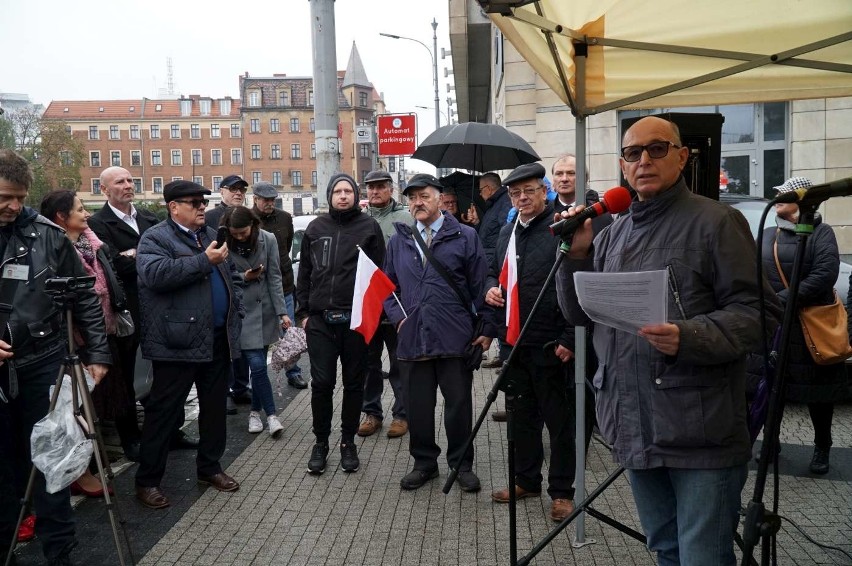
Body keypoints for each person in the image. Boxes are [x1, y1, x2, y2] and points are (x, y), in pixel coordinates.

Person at [556, 116, 777, 565]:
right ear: (622, 165)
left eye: (657, 149)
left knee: (703, 557)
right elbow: (583, 315)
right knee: (665, 549)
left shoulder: (717, 222)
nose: (644, 160)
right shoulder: (611, 233)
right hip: (633, 422)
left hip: (700, 430)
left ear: (681, 156)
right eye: (633, 153)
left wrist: (689, 336)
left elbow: (762, 315)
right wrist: (576, 257)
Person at [0, 149, 110, 566]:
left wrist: (98, 351)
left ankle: (60, 551)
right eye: (5, 197)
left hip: (42, 360)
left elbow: (83, 294)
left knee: (51, 460)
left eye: (20, 198)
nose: (13, 206)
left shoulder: (46, 234)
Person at [134, 180, 244, 510]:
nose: (201, 207)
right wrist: (202, 262)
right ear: (173, 207)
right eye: (194, 202)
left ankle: (210, 468)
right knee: (163, 414)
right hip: (176, 344)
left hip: (215, 341)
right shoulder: (155, 238)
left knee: (214, 411)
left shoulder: (210, 236)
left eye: (203, 202)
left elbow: (232, 275)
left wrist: (236, 305)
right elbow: (155, 275)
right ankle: (147, 481)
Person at [382, 173, 492, 492]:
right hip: (413, 337)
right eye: (412, 197)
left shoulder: (465, 236)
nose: (417, 202)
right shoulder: (399, 240)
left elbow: (480, 283)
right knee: (418, 406)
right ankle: (424, 463)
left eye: (424, 196)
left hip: (455, 336)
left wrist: (485, 328)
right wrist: (398, 319)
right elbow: (388, 287)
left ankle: (461, 464)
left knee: (458, 405)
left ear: (439, 198)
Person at [483, 163, 578, 522]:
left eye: (529, 191)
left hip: (552, 343)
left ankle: (562, 492)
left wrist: (570, 336)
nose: (522, 198)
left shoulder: (562, 227)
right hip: (514, 344)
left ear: (544, 191)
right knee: (521, 419)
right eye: (515, 193)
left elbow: (578, 280)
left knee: (560, 422)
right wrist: (490, 287)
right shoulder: (506, 231)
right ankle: (526, 480)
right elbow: (493, 271)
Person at [87, 166, 197, 461]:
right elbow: (112, 266)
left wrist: (135, 254)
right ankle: (130, 439)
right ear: (104, 190)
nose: (127, 185)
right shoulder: (98, 224)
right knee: (125, 376)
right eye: (120, 182)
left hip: (161, 308)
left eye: (130, 180)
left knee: (166, 374)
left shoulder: (149, 219)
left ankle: (171, 430)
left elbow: (171, 256)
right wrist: (146, 257)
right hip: (127, 311)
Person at [40, 190, 131, 498]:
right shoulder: (54, 248)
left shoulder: (88, 243)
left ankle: (87, 464)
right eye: (79, 209)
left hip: (100, 333)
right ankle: (80, 471)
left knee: (97, 408)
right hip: (72, 340)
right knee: (75, 409)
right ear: (61, 217)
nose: (86, 214)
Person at [296, 173, 385, 475]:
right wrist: (304, 313)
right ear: (330, 195)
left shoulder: (369, 227)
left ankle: (348, 442)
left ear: (355, 194)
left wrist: (373, 316)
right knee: (321, 384)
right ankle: (320, 442)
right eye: (338, 191)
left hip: (355, 321)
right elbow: (304, 273)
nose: (343, 196)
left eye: (348, 191)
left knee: (353, 383)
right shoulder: (315, 228)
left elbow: (379, 273)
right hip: (320, 320)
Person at [763, 176, 848, 475]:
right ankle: (770, 443)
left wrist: (783, 298)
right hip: (775, 326)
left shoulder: (822, 233)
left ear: (804, 200)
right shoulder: (768, 234)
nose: (778, 198)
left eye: (785, 194)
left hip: (809, 327)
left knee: (817, 394)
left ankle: (822, 446)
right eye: (778, 193)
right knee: (772, 388)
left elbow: (825, 273)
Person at [220, 206, 287, 438]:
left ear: (253, 225)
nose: (239, 236)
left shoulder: (267, 239)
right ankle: (272, 415)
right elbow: (222, 276)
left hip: (265, 310)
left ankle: (254, 413)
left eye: (244, 232)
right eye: (235, 233)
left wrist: (282, 312)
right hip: (240, 312)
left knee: (258, 368)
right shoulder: (223, 243)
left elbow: (275, 276)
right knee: (258, 365)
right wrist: (244, 277)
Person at [357, 169, 412, 439]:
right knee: (369, 362)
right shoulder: (359, 219)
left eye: (380, 187)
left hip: (397, 300)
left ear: (391, 189)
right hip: (368, 302)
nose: (375, 191)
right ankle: (372, 412)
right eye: (371, 187)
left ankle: (402, 414)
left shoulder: (405, 218)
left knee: (400, 360)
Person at [251, 182, 307, 390]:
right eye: (265, 200)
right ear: (255, 199)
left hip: (284, 284)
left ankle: (293, 372)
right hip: (259, 288)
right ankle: (257, 377)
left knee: (289, 333)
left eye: (272, 200)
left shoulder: (284, 218)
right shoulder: (248, 219)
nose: (269, 204)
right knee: (261, 336)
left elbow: (287, 244)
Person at [206, 174, 252, 406]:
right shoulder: (210, 218)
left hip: (243, 287)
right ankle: (225, 393)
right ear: (221, 191)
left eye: (242, 190)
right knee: (224, 347)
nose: (238, 193)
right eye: (233, 189)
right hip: (221, 284)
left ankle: (242, 387)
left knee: (241, 344)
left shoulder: (248, 215)